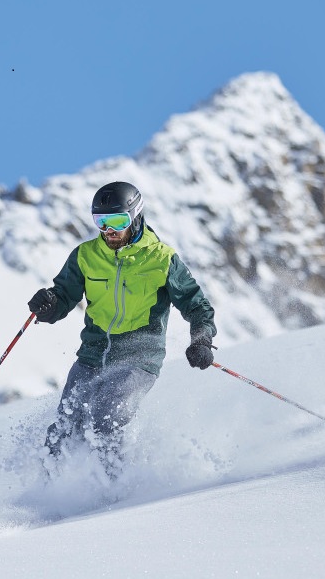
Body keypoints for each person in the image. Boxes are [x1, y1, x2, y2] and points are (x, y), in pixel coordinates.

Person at [27, 181, 217, 473]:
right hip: (92, 356)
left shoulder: (161, 259)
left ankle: (113, 491)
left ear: (136, 217)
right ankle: (51, 496)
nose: (109, 230)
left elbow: (196, 305)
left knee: (106, 416)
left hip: (138, 359)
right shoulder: (86, 256)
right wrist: (49, 304)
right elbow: (63, 297)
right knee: (65, 427)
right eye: (100, 222)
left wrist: (201, 339)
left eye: (117, 221)